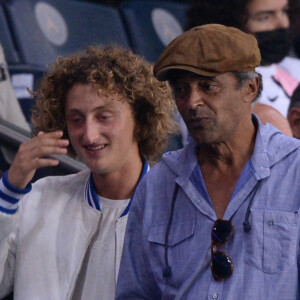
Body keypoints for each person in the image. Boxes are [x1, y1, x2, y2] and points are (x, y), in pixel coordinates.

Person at [116, 24, 300, 299]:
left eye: (208, 86)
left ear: (250, 87)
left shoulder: (294, 170)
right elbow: (136, 293)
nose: (191, 102)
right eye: (181, 90)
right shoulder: (158, 185)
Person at [0, 45, 176, 299]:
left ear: (140, 118)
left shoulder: (176, 211)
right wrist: (8, 191)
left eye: (104, 116)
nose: (89, 135)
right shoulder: (39, 198)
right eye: (76, 119)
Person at [186, 0, 300, 118]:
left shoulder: (293, 67)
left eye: (284, 11)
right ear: (229, 26)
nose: (283, 23)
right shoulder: (214, 89)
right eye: (265, 17)